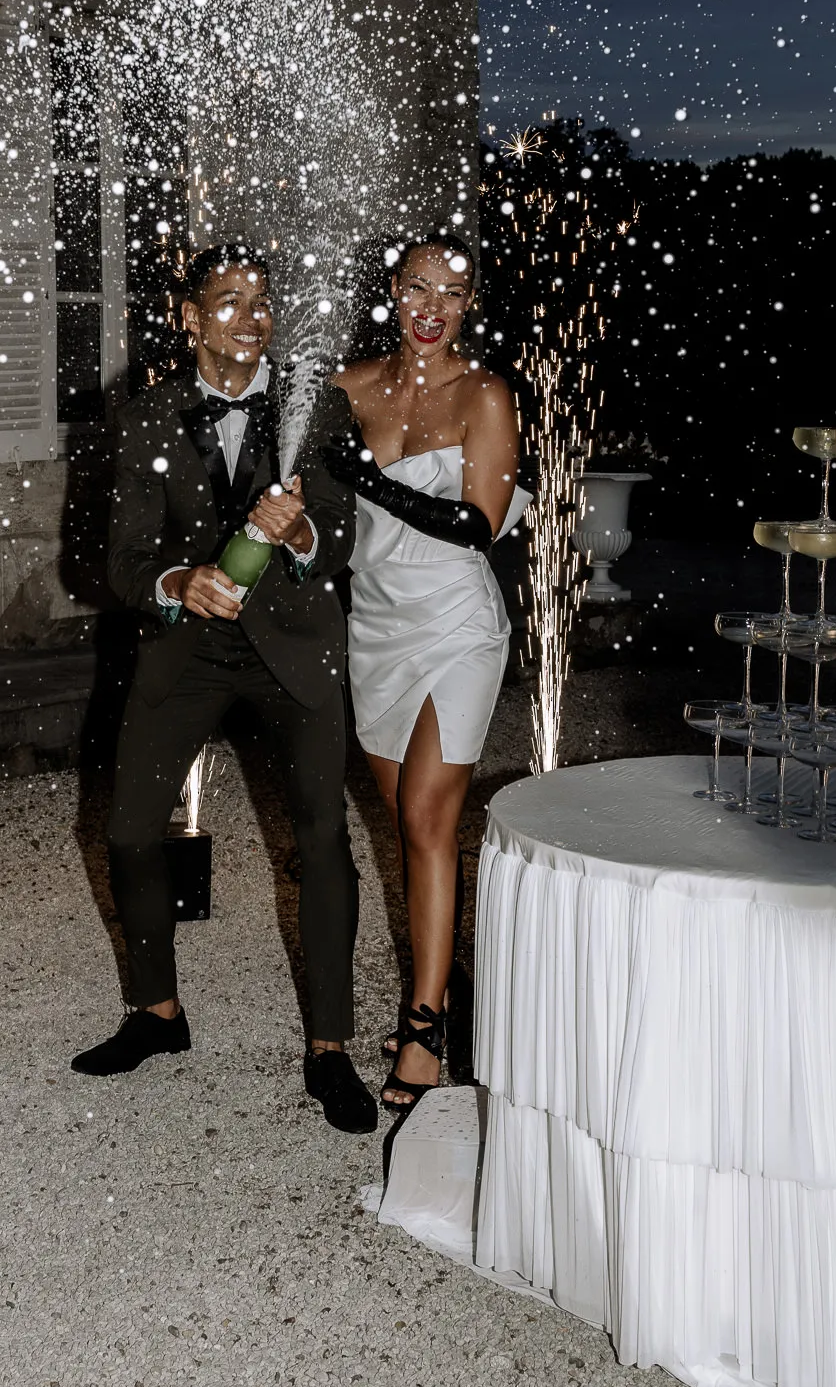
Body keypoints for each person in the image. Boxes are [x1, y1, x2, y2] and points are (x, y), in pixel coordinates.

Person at [72, 242, 377, 1135]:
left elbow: (342, 541)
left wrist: (303, 532)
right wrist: (175, 585)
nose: (253, 317)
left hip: (295, 650)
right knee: (129, 829)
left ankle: (329, 1050)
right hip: (187, 653)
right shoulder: (145, 417)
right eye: (230, 301)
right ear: (191, 318)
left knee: (320, 842)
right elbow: (117, 558)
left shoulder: (318, 408)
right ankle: (156, 1014)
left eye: (263, 301)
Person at [329, 234, 528, 1112]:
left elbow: (474, 527)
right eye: (418, 284)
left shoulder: (485, 394)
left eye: (452, 290)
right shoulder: (347, 389)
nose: (432, 304)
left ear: (468, 305)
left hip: (455, 621)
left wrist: (364, 480)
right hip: (375, 625)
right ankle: (433, 991)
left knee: (425, 818)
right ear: (394, 291)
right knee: (402, 827)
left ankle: (422, 1028)